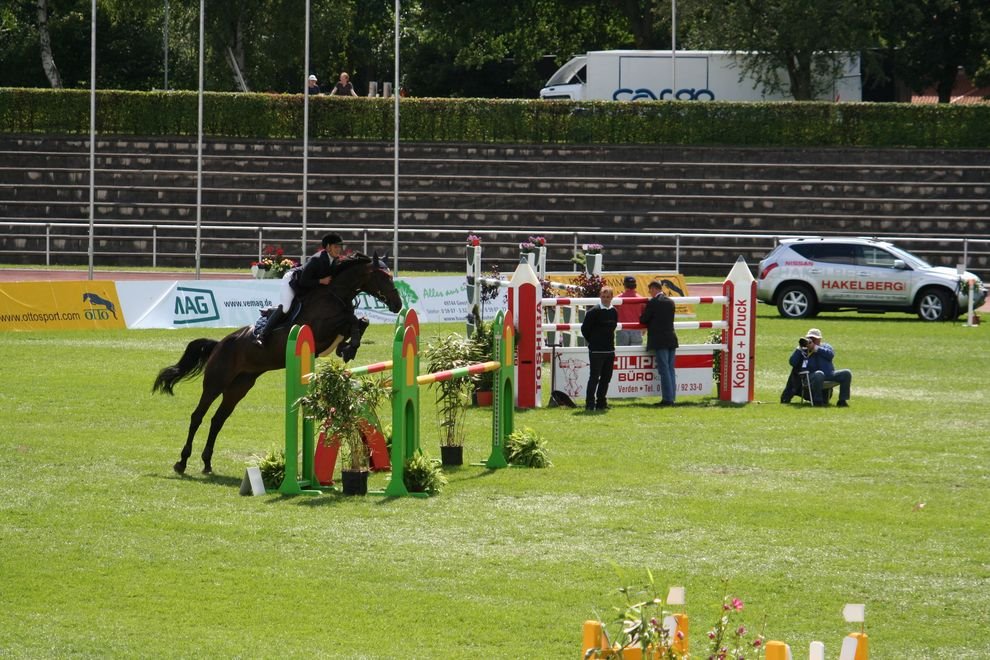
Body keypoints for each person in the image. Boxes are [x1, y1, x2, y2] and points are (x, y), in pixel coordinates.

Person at [255, 233, 344, 347]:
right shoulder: (316, 259)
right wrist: (321, 281)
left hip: (308, 285)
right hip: (293, 281)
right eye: (336, 246)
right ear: (328, 247)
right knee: (286, 308)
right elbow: (303, 282)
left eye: (340, 247)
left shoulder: (334, 260)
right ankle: (262, 335)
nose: (339, 249)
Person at [787, 328, 852, 407]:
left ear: (819, 339)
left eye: (815, 338)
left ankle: (842, 401)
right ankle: (818, 401)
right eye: (810, 338)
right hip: (811, 376)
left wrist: (815, 348)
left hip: (829, 375)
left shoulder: (826, 346)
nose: (812, 340)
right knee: (819, 374)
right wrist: (799, 349)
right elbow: (792, 362)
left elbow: (830, 355)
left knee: (846, 373)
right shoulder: (802, 350)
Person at [640, 280, 679, 406]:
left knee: (664, 370)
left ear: (653, 289)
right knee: (670, 369)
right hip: (671, 338)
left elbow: (644, 319)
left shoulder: (653, 302)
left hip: (659, 340)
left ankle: (667, 399)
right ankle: (672, 396)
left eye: (650, 290)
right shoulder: (670, 302)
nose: (650, 293)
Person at [580, 287, 618, 411]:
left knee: (606, 378)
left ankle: (601, 402)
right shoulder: (593, 311)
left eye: (608, 297)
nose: (605, 299)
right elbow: (585, 329)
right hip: (596, 350)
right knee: (594, 378)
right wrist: (594, 341)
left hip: (610, 350)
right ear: (600, 297)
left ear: (612, 297)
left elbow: (614, 327)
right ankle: (590, 403)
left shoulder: (614, 311)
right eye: (603, 296)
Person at [615, 275, 644, 346]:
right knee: (635, 355)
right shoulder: (641, 299)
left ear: (624, 285)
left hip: (622, 329)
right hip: (636, 330)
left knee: (622, 355)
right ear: (635, 285)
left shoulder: (617, 299)